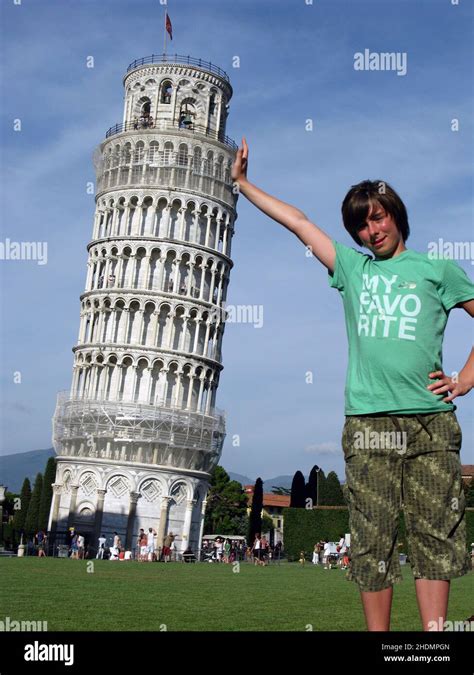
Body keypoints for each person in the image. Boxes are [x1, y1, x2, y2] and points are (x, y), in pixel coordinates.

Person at [231, 141, 474, 631]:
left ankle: (434, 640)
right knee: (371, 539)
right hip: (368, 423)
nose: (372, 230)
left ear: (396, 216)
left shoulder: (437, 271)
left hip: (430, 421)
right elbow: (298, 222)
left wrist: (465, 379)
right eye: (361, 225)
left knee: (435, 536)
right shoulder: (352, 269)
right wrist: (242, 185)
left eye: (378, 218)